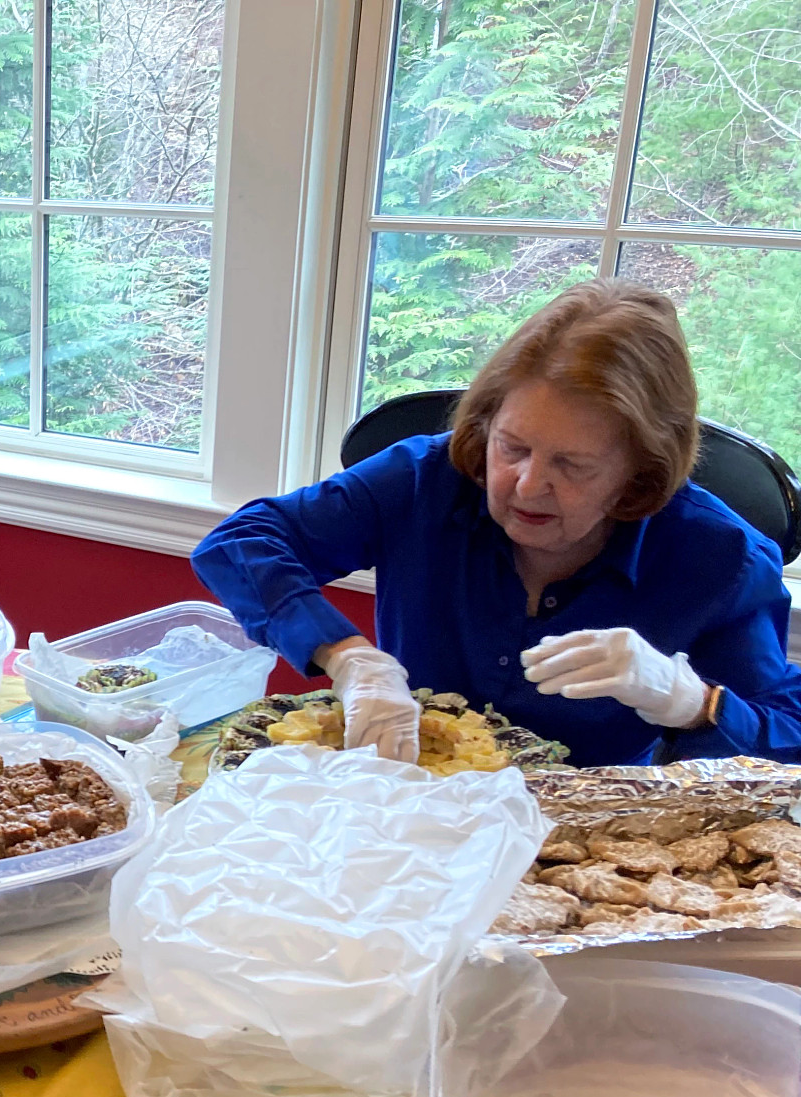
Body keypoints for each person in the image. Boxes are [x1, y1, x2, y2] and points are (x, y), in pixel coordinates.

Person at [193, 279, 801, 767]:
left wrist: (692, 702)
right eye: (511, 447)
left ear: (640, 471)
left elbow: (786, 732)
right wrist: (353, 658)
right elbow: (240, 542)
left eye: (573, 464)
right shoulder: (424, 479)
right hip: (403, 790)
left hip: (582, 834)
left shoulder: (720, 557)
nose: (529, 485)